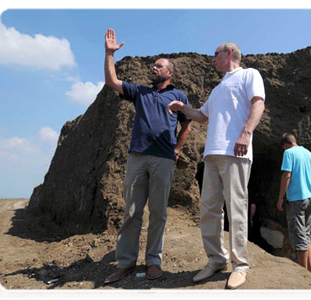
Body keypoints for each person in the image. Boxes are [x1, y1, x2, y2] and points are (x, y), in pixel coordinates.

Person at [168, 42, 265, 290]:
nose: (213, 60)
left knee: (236, 209)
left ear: (229, 53)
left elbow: (258, 104)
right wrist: (183, 108)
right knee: (209, 208)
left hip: (236, 151)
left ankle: (240, 265)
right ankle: (216, 259)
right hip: (211, 155)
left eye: (216, 55)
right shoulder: (218, 88)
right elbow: (202, 116)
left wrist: (246, 133)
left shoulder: (248, 74)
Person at [103, 28, 191, 283]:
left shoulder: (179, 95)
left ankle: (153, 261)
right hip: (137, 157)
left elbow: (186, 125)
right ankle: (125, 263)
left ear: (169, 73)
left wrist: (176, 151)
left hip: (163, 159)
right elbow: (112, 81)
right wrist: (109, 54)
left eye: (158, 66)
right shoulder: (140, 92)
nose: (153, 68)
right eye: (153, 65)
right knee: (131, 211)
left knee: (159, 213)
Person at [277, 133, 311, 274]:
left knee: (299, 235)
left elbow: (287, 175)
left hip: (297, 199)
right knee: (306, 234)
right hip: (310, 198)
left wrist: (280, 198)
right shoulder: (308, 153)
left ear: (285, 145)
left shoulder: (289, 153)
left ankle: (303, 273)